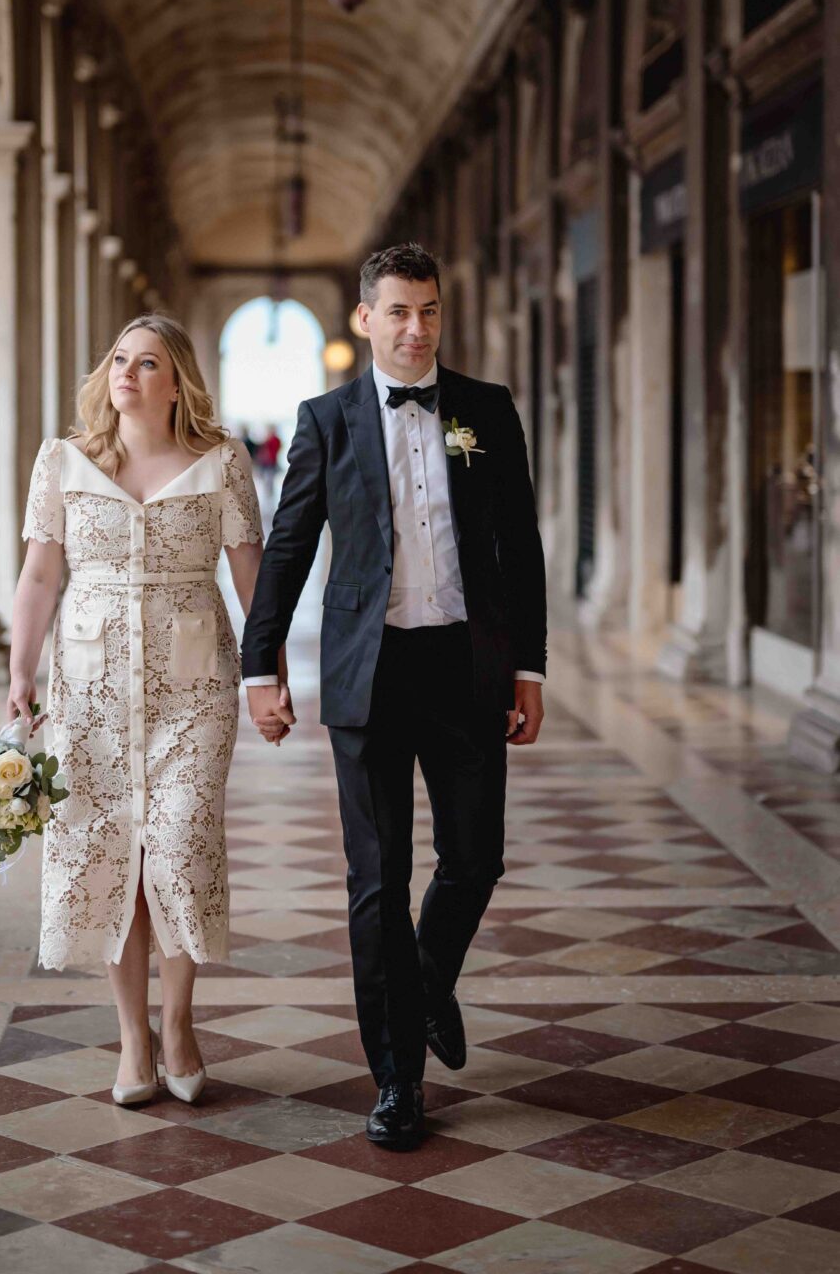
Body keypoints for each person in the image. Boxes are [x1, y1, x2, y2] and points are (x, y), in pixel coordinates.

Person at [242, 242, 547, 1151]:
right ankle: (394, 1081)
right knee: (375, 881)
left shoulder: (486, 410)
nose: (416, 330)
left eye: (429, 311)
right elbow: (289, 546)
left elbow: (520, 548)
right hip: (365, 676)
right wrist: (263, 669)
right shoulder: (325, 419)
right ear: (364, 319)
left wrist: (526, 668)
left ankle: (425, 978)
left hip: (465, 666)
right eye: (399, 313)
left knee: (474, 860)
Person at [8, 314, 288, 1108]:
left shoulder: (221, 461)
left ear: (177, 383)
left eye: (149, 362)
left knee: (177, 844)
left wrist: (268, 675)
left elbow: (249, 573)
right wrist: (19, 672)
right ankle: (132, 1036)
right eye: (120, 359)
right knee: (108, 859)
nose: (128, 372)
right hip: (89, 691)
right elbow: (38, 576)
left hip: (193, 687)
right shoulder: (62, 461)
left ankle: (180, 1022)